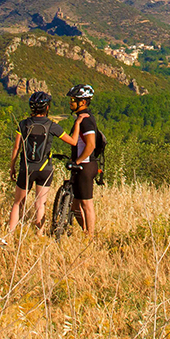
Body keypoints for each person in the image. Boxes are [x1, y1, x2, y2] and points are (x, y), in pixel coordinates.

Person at [7, 91, 80, 233]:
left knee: (18, 203)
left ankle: (10, 233)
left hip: (26, 168)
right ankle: (39, 234)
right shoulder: (52, 125)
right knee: (40, 204)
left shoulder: (23, 124)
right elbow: (73, 141)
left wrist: (12, 167)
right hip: (44, 169)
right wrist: (77, 124)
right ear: (47, 108)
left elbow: (16, 147)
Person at [66, 84, 100, 235]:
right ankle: (86, 231)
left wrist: (78, 161)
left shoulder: (86, 121)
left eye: (73, 99)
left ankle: (90, 237)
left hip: (85, 165)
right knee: (75, 205)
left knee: (86, 204)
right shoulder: (81, 119)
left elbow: (91, 145)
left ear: (83, 102)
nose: (70, 102)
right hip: (81, 165)